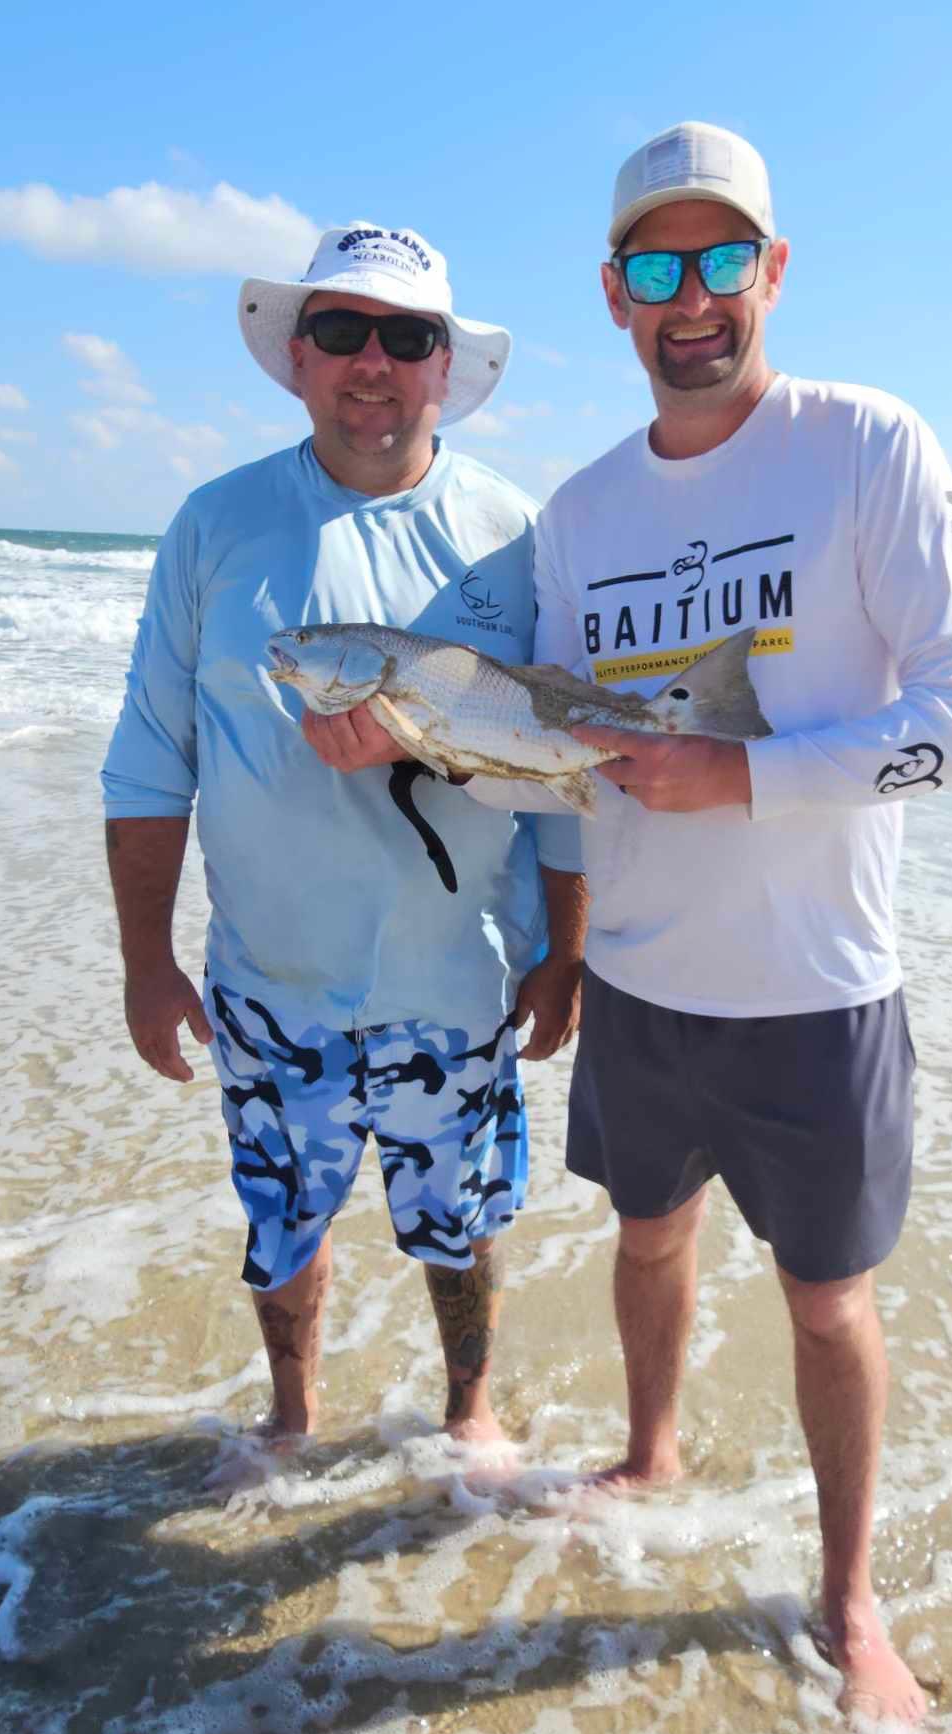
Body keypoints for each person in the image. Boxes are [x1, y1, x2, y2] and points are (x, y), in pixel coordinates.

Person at [536, 123, 952, 1719]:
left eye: (722, 260)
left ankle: (850, 1600)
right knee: (647, 1233)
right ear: (615, 296)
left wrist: (742, 775)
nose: (694, 299)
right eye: (659, 269)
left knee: (829, 1301)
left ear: (774, 270)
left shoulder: (864, 445)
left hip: (819, 989)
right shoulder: (579, 512)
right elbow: (558, 748)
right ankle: (651, 1451)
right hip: (641, 981)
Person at [101, 222, 586, 1449]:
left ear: (442, 367)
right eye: (341, 330)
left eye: (406, 336)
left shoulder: (515, 536)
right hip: (271, 984)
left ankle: (470, 1413)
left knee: (463, 1219)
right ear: (300, 356)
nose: (372, 360)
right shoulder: (215, 526)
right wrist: (145, 962)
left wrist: (566, 948)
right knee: (281, 1220)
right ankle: (291, 1418)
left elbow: (563, 764)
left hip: (460, 976)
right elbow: (153, 755)